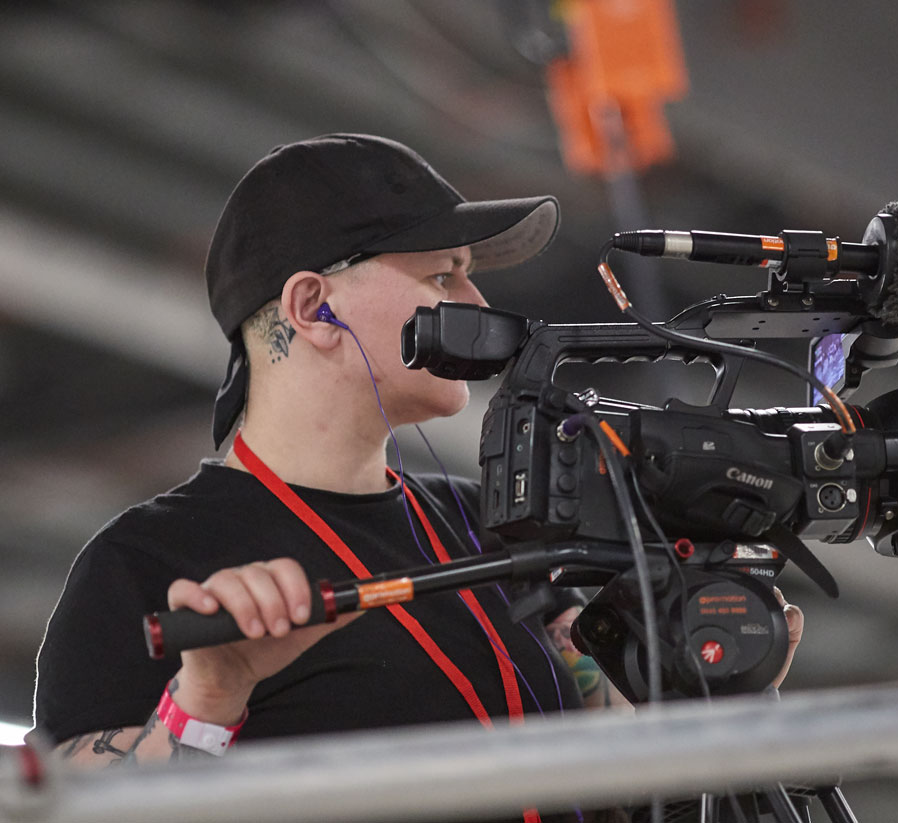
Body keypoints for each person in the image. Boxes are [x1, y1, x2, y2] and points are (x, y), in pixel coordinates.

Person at [31, 134, 804, 786]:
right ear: (310, 307)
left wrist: (701, 682)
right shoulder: (147, 563)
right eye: (443, 274)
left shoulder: (492, 522)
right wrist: (208, 697)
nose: (475, 304)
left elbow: (606, 787)